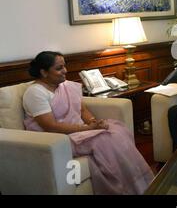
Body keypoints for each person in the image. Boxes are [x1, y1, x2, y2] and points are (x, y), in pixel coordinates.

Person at [22, 51, 154, 195]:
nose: (65, 71)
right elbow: (50, 126)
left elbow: (82, 109)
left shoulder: (65, 86)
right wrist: (88, 128)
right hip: (59, 139)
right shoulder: (35, 93)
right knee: (105, 139)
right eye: (59, 68)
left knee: (117, 130)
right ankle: (124, 189)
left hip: (80, 131)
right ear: (44, 72)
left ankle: (141, 184)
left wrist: (94, 122)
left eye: (64, 66)